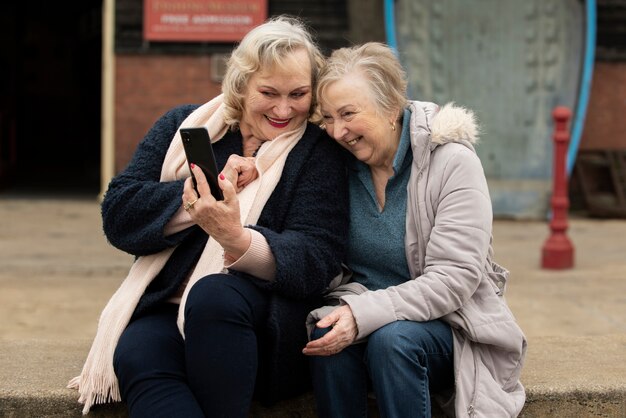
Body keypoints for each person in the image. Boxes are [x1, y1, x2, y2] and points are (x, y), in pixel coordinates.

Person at [68, 16, 348, 417]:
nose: (284, 109)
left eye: (299, 94)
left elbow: (318, 257)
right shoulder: (186, 126)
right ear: (241, 85)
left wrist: (236, 238)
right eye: (268, 92)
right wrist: (198, 201)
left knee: (213, 295)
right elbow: (118, 214)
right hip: (167, 308)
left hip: (263, 326)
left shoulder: (317, 153)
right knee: (137, 353)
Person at [302, 42, 527, 418]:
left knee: (393, 341)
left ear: (392, 108)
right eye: (327, 118)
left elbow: (455, 278)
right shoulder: (336, 166)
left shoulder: (451, 162)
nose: (337, 131)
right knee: (325, 334)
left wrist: (365, 313)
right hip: (363, 309)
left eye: (348, 114)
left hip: (449, 325)